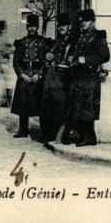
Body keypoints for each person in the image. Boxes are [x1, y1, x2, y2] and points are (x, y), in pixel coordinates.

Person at [66, 8, 110, 147]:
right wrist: (71, 58)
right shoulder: (81, 36)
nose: (82, 24)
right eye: (81, 21)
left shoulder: (98, 36)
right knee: (79, 106)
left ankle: (89, 137)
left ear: (93, 21)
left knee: (88, 107)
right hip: (79, 76)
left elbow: (105, 56)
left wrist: (86, 59)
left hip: (90, 76)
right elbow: (75, 53)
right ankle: (85, 136)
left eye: (85, 21)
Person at [11, 14, 49, 138]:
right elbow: (16, 61)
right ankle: (23, 129)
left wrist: (40, 74)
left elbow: (46, 62)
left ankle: (44, 131)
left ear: (37, 27)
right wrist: (22, 74)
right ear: (27, 27)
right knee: (23, 103)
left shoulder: (43, 42)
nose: (32, 29)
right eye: (30, 26)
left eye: (34, 26)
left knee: (41, 104)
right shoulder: (21, 43)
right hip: (25, 75)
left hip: (37, 76)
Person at [40, 13, 74, 144]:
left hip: (64, 78)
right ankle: (49, 134)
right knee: (50, 107)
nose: (61, 28)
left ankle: (60, 134)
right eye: (59, 25)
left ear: (69, 26)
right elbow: (49, 58)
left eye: (64, 25)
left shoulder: (73, 42)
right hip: (53, 78)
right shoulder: (56, 42)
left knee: (61, 107)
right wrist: (48, 57)